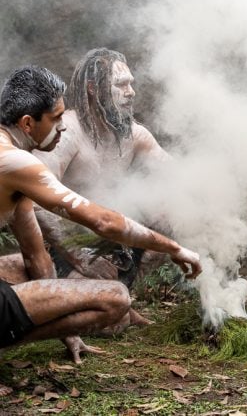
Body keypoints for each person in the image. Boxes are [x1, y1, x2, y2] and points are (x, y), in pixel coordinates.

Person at [0, 65, 201, 362]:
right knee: (116, 298)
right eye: (56, 118)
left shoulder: (14, 168)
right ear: (28, 124)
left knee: (21, 264)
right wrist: (174, 248)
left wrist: (68, 334)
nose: (63, 125)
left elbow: (35, 255)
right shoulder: (15, 162)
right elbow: (103, 221)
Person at [32, 48, 169, 285]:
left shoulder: (136, 136)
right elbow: (34, 197)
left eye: (131, 84)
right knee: (104, 311)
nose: (131, 92)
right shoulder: (67, 133)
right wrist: (78, 256)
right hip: (67, 247)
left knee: (173, 214)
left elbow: (181, 180)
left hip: (117, 241)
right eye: (121, 85)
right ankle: (118, 301)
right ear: (93, 89)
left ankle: (131, 291)